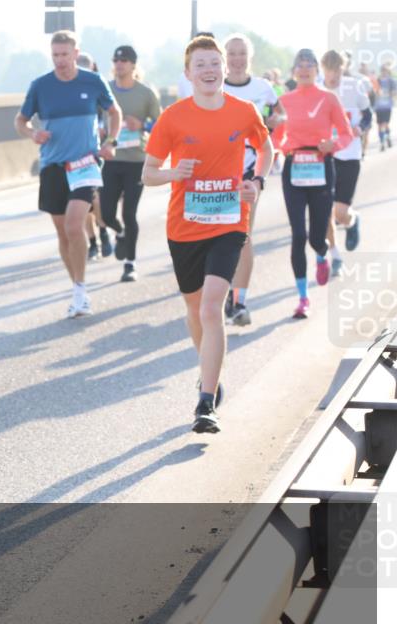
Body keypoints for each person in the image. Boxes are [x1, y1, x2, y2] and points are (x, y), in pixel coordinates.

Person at [143, 35, 272, 434]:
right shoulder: (174, 117)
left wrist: (257, 181)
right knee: (195, 310)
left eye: (214, 63)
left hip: (230, 221)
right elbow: (147, 174)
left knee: (212, 306)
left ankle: (205, 402)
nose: (210, 70)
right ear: (188, 74)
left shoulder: (243, 110)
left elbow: (267, 149)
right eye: (201, 65)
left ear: (224, 68)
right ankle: (209, 372)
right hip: (184, 227)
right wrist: (172, 174)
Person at [15, 30, 121, 318]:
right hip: (53, 167)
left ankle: (81, 290)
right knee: (63, 233)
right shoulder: (41, 86)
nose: (60, 60)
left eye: (65, 54)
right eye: (55, 55)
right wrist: (32, 133)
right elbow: (20, 121)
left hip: (85, 164)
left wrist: (110, 142)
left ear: (76, 54)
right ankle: (77, 287)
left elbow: (115, 113)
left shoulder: (93, 81)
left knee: (75, 226)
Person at [276, 49, 354, 319]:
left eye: (310, 64)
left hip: (321, 166)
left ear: (316, 71)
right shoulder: (284, 100)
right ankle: (303, 298)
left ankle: (322, 255)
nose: (305, 68)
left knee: (316, 237)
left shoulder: (328, 98)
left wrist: (334, 144)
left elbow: (346, 133)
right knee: (298, 235)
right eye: (300, 64)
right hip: (294, 169)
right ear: (293, 71)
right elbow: (275, 137)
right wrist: (281, 144)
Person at [221, 33, 284, 326]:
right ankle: (221, 292)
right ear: (224, 57)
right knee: (217, 238)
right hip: (216, 173)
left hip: (249, 171)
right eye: (231, 53)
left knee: (242, 236)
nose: (236, 59)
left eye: (241, 53)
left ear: (250, 57)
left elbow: (279, 111)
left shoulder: (262, 87)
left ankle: (239, 301)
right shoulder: (214, 86)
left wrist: (274, 121)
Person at [102, 45, 161, 283]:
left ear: (133, 65)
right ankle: (121, 233)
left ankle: (130, 264)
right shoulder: (104, 90)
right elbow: (94, 115)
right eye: (116, 60)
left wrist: (143, 125)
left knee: (129, 212)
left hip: (136, 160)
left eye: (125, 60)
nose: (119, 64)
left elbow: (160, 124)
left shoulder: (145, 93)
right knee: (106, 214)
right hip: (111, 159)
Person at [321, 49, 372, 275]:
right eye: (329, 70)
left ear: (343, 68)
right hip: (325, 156)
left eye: (337, 70)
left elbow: (367, 113)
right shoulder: (318, 89)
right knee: (323, 211)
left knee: (340, 213)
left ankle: (352, 221)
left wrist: (360, 128)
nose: (333, 76)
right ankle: (335, 255)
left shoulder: (354, 87)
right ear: (323, 69)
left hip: (350, 155)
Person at [77, 53, 113, 262]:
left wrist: (104, 132)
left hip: (94, 151)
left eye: (86, 68)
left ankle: (103, 231)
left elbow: (110, 113)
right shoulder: (65, 88)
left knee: (95, 198)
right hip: (73, 155)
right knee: (82, 203)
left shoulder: (98, 87)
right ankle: (92, 242)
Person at [375, 62, 394, 151]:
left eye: (385, 70)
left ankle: (387, 138)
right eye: (382, 70)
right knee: (380, 124)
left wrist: (388, 93)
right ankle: (382, 141)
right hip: (378, 106)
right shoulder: (377, 80)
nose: (384, 72)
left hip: (387, 106)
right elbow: (374, 91)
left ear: (387, 71)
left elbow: (394, 92)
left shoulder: (391, 81)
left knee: (385, 124)